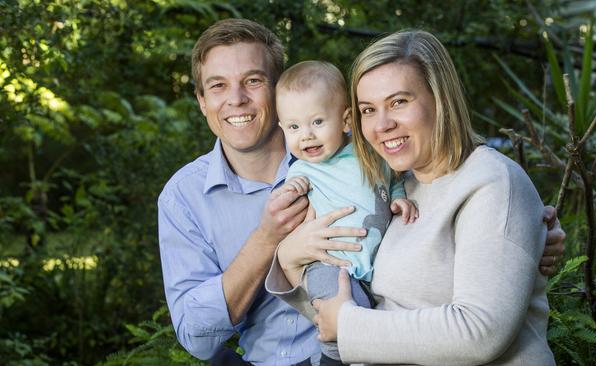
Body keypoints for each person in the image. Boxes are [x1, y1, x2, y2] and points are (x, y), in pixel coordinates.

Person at [158, 18, 564, 365]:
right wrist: (279, 250)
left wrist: (527, 231)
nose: (236, 99)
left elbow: (458, 189)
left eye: (253, 80)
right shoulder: (184, 197)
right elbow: (202, 337)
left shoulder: (370, 163)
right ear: (201, 100)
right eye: (217, 86)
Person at [267, 30, 557, 365]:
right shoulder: (396, 189)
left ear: (440, 97)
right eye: (368, 109)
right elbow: (343, 320)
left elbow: (482, 332)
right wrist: (289, 259)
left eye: (399, 102)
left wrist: (349, 326)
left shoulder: (492, 182)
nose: (383, 124)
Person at [272, 60, 418, 364]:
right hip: (330, 265)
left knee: (371, 321)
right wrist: (291, 189)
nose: (306, 136)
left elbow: (390, 182)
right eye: (294, 127)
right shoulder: (302, 171)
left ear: (346, 120)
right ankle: (331, 358)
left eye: (317, 122)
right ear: (282, 129)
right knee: (338, 321)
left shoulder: (369, 154)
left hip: (375, 269)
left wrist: (399, 198)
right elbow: (284, 205)